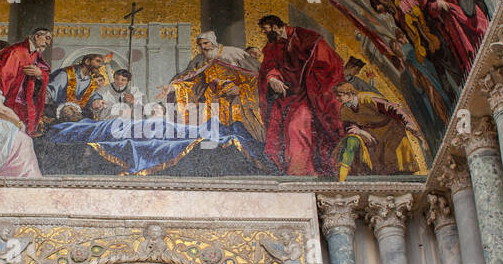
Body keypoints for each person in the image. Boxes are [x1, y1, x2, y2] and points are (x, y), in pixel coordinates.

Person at [257, 15, 345, 176]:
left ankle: (300, 173)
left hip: (311, 93)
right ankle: (295, 170)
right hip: (288, 96)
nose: (264, 32)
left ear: (276, 26)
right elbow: (270, 65)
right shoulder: (272, 46)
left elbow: (327, 63)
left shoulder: (306, 37)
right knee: (276, 129)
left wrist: (310, 83)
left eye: (266, 29)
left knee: (297, 127)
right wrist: (272, 78)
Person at [386, 0, 488, 77]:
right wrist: (437, 4)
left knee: (472, 20)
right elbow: (426, 5)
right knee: (459, 37)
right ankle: (476, 59)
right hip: (445, 9)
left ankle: (485, 37)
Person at [160, 31, 265, 141]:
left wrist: (241, 89)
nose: (203, 47)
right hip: (211, 99)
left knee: (239, 122)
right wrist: (173, 87)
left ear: (213, 42)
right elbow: (191, 80)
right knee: (195, 119)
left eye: (206, 43)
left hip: (236, 98)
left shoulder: (234, 53)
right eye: (200, 45)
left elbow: (257, 76)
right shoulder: (200, 60)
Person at [334, 82, 421, 178]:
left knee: (397, 160)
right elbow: (349, 126)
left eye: (339, 95)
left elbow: (392, 108)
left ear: (349, 93)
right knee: (381, 166)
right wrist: (362, 132)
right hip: (372, 133)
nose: (337, 98)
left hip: (390, 130)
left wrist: (407, 122)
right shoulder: (344, 109)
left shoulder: (367, 99)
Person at [0, 27, 52, 134]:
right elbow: (2, 79)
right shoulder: (15, 52)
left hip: (25, 103)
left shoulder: (35, 53)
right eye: (46, 38)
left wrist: (40, 74)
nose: (48, 43)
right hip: (11, 103)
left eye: (49, 39)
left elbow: (44, 72)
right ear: (37, 36)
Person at [46, 53, 111, 118]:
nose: (100, 65)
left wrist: (96, 101)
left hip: (77, 116)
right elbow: (48, 94)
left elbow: (91, 96)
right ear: (87, 61)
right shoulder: (66, 74)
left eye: (101, 62)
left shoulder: (89, 80)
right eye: (98, 61)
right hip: (59, 115)